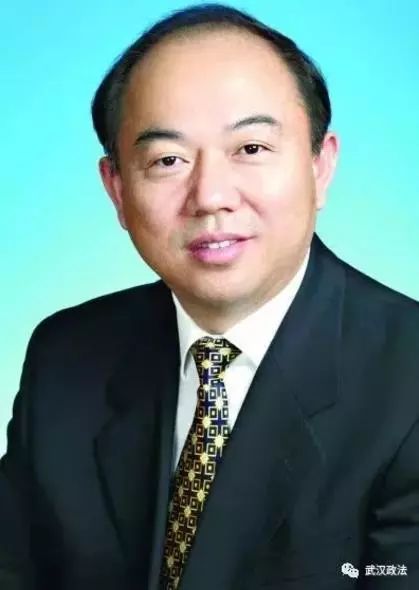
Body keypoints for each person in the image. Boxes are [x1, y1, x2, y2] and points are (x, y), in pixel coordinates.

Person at [1, 3, 419, 589]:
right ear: (116, 190)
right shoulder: (65, 354)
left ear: (320, 166)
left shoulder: (408, 377)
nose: (210, 196)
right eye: (168, 160)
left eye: (251, 149)